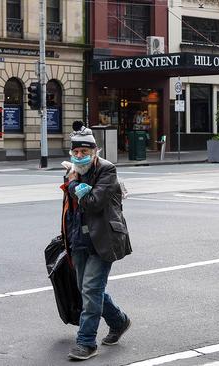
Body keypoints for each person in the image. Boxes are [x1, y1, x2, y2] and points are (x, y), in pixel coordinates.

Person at [61, 121, 132, 361]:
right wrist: (66, 237)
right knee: (87, 290)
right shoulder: (72, 172)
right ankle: (119, 321)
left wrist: (72, 184)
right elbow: (70, 209)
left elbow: (93, 202)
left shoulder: (106, 169)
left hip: (103, 239)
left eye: (85, 152)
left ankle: (86, 342)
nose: (80, 156)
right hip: (78, 239)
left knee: (91, 290)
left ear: (95, 152)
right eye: (76, 152)